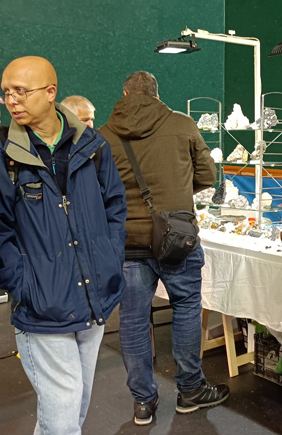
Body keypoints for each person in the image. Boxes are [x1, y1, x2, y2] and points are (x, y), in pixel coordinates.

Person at [0, 56, 127, 435]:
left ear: (50, 92)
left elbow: (115, 207)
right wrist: (26, 286)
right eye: (6, 93)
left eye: (21, 91)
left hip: (94, 295)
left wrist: (108, 260)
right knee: (62, 413)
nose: (12, 100)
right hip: (42, 307)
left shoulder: (93, 145)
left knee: (77, 403)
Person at [98, 71, 228, 426]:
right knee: (186, 308)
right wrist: (178, 190)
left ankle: (143, 401)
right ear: (157, 95)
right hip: (176, 237)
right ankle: (190, 390)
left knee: (133, 320)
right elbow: (207, 175)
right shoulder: (182, 125)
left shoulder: (104, 136)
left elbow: (99, 190)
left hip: (127, 242)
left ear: (125, 94)